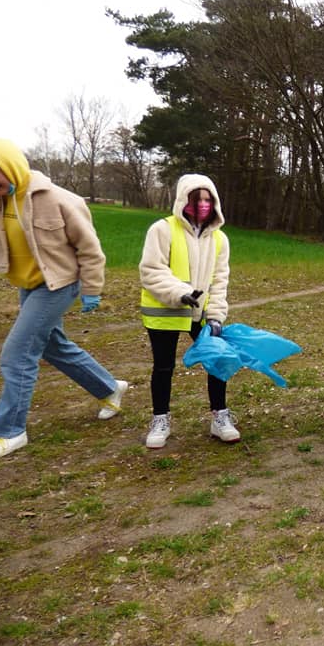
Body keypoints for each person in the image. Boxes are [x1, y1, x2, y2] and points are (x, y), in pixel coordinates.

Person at [0, 138, 128, 459]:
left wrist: (92, 290)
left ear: (10, 166)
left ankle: (10, 430)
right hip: (28, 284)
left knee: (17, 353)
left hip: (59, 285)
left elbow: (90, 249)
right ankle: (109, 387)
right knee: (53, 346)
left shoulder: (58, 200)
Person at [140, 174, 238, 449]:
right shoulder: (162, 229)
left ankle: (220, 416)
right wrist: (179, 292)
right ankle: (160, 419)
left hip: (200, 312)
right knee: (163, 367)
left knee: (217, 360)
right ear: (184, 200)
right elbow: (151, 270)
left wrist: (216, 314)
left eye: (209, 200)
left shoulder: (220, 239)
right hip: (164, 311)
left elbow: (220, 280)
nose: (204, 205)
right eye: (198, 200)